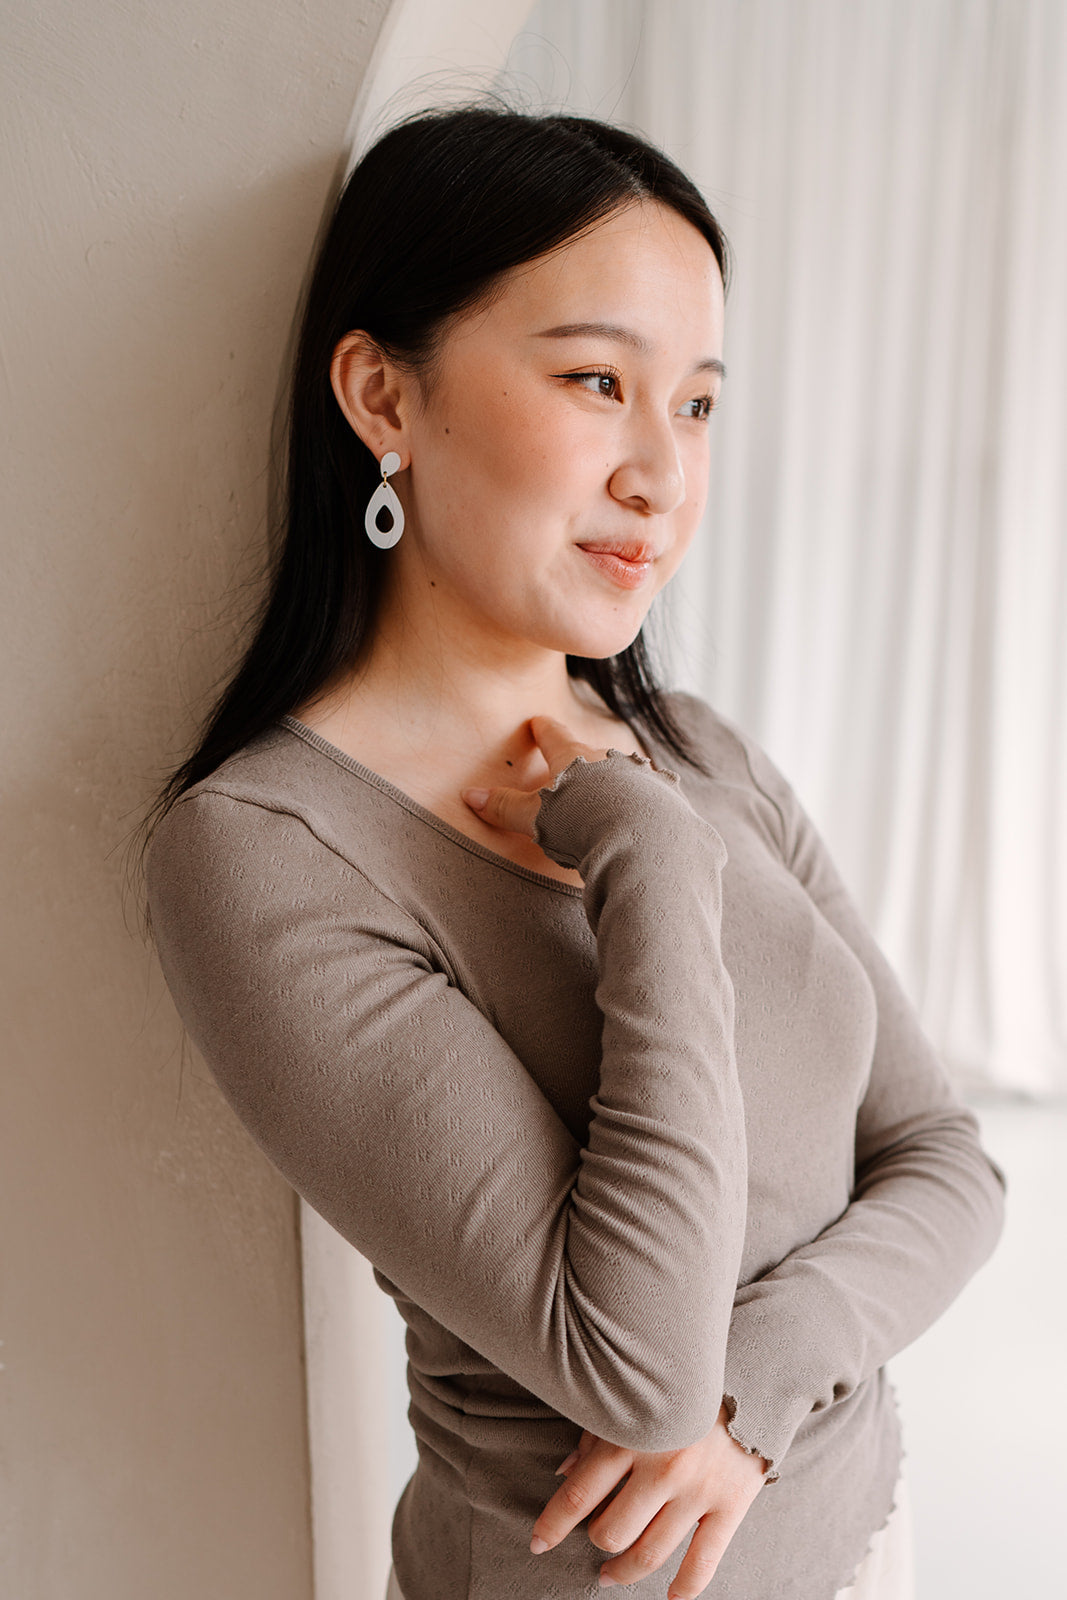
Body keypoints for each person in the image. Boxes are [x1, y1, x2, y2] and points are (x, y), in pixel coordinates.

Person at [141, 104, 1007, 1600]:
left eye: (699, 404)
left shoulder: (698, 746)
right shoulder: (268, 854)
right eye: (599, 381)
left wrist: (764, 1391)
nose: (662, 474)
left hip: (863, 1539)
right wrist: (645, 860)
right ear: (382, 395)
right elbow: (637, 1369)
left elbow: (945, 1163)